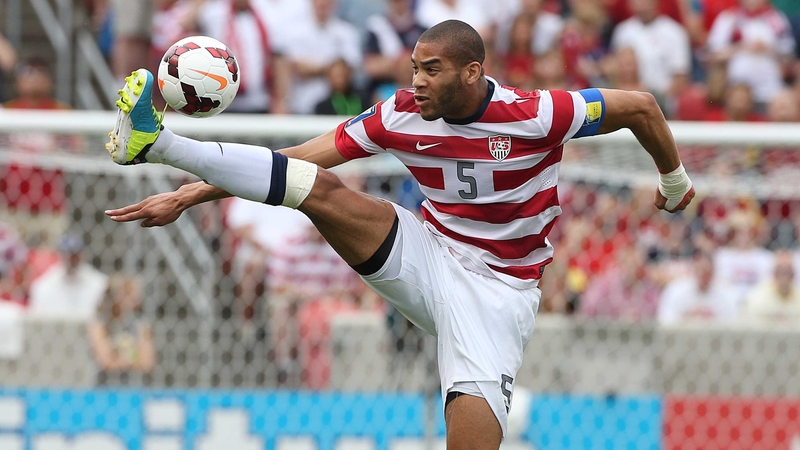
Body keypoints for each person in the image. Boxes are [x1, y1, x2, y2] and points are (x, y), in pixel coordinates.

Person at [104, 20, 695, 448]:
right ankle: (159, 143)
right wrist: (191, 191)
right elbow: (301, 157)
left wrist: (673, 182)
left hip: (499, 294)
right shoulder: (399, 114)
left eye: (431, 70)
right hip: (429, 252)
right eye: (414, 68)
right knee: (317, 189)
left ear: (472, 72)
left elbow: (641, 106)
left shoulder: (538, 113)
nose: (417, 82)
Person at [88, 274, 156, 385]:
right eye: (127, 293)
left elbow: (148, 363)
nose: (133, 299)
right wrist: (133, 360)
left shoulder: (141, 325)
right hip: (106, 383)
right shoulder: (100, 324)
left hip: (135, 383)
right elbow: (105, 363)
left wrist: (118, 359)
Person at [28, 234, 109, 320]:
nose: (71, 260)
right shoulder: (43, 286)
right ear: (60, 255)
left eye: (75, 255)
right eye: (68, 255)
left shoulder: (99, 283)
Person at [657, 251, 739, 325]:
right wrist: (687, 318)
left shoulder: (726, 292)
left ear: (713, 272)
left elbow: (733, 322)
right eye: (699, 270)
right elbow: (665, 320)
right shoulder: (675, 290)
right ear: (693, 270)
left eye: (706, 272)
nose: (702, 276)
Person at [740, 249, 800, 326]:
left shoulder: (798, 295)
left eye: (787, 272)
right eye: (780, 271)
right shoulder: (759, 295)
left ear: (793, 274)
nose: (784, 277)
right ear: (774, 273)